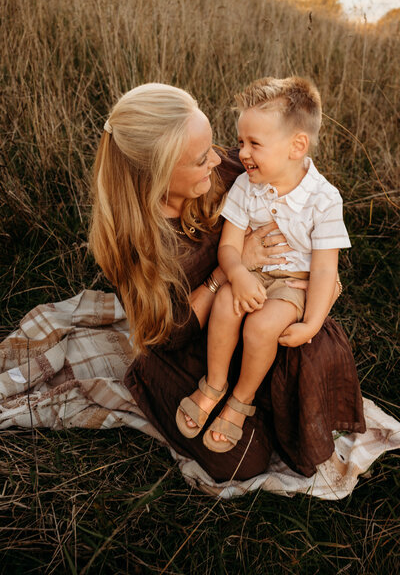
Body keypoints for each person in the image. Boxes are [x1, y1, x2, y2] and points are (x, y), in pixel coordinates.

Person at [89, 82, 365, 482]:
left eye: (216, 146)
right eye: (202, 158)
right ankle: (163, 384)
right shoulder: (135, 241)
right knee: (243, 461)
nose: (221, 159)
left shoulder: (235, 171)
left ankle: (255, 401)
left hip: (259, 308)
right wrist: (228, 271)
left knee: (309, 350)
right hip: (193, 339)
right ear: (159, 174)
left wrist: (312, 284)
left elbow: (306, 215)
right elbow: (169, 333)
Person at [176, 77, 351, 454]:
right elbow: (229, 247)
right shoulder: (246, 186)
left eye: (255, 143)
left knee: (260, 326)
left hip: (293, 282)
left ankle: (240, 400)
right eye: (240, 142)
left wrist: (312, 323)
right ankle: (214, 384)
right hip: (253, 273)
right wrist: (238, 275)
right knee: (225, 303)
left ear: (296, 146)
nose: (242, 153)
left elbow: (324, 269)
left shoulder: (323, 199)